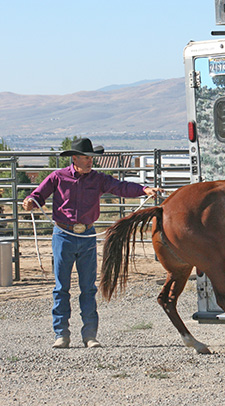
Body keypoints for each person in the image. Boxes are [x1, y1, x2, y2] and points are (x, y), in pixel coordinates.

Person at [22, 138, 163, 349]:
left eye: (91, 159)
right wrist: (30, 202)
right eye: (87, 158)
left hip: (86, 236)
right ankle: (61, 334)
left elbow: (120, 187)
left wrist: (143, 190)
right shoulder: (57, 177)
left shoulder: (98, 179)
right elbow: (38, 195)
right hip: (63, 235)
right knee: (61, 287)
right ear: (75, 158)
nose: (90, 162)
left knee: (88, 287)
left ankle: (90, 335)